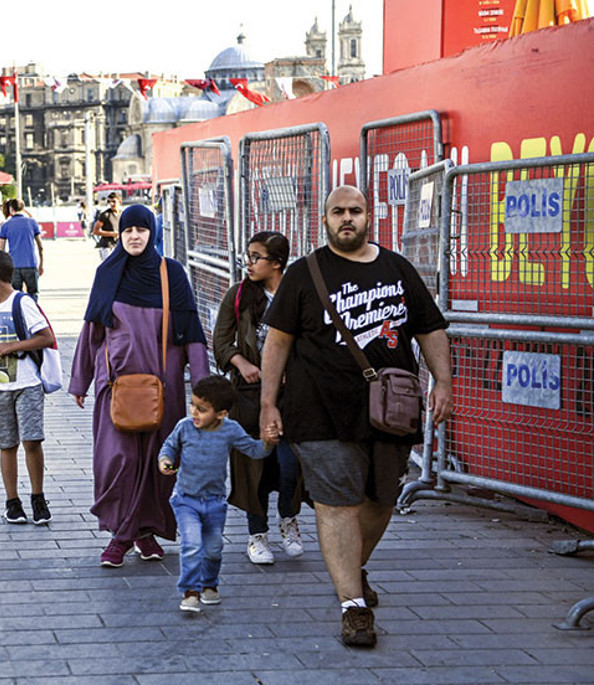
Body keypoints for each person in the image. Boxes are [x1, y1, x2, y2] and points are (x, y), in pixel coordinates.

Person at [260, 185, 453, 648]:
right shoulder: (304, 274)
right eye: (337, 212)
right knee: (337, 504)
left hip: (391, 410)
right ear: (324, 219)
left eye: (355, 211)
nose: (347, 218)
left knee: (381, 500)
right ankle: (353, 606)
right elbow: (278, 342)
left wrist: (443, 381)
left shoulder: (397, 269)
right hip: (318, 411)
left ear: (369, 217)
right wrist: (268, 403)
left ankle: (350, 568)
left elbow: (429, 328)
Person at [69, 204, 210, 568]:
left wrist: (203, 388)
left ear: (152, 232)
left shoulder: (171, 274)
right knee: (119, 461)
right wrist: (80, 379)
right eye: (127, 230)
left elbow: (191, 331)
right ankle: (121, 535)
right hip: (115, 386)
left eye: (141, 230)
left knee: (158, 464)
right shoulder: (108, 273)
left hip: (163, 388)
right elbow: (92, 331)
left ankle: (142, 532)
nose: (134, 236)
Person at [213, 231, 305, 565]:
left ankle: (288, 518)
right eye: (247, 256)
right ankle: (257, 535)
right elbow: (221, 341)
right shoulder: (239, 295)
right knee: (255, 467)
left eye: (256, 257)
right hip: (249, 396)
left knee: (291, 464)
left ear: (277, 263)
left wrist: (293, 371)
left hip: (291, 396)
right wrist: (241, 362)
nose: (249, 264)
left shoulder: (298, 295)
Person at [158, 375, 275, 612]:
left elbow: (254, 451)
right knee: (191, 544)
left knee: (213, 550)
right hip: (185, 499)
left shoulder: (230, 430)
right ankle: (190, 591)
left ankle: (209, 584)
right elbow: (169, 446)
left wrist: (268, 442)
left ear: (221, 414)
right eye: (192, 404)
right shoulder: (184, 427)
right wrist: (165, 461)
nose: (194, 412)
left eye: (202, 409)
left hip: (214, 502)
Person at [0, 250, 54, 525]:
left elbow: (46, 337)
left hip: (27, 384)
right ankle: (12, 502)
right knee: (6, 444)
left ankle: (38, 498)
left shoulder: (22, 302)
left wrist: (13, 346)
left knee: (32, 441)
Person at [0, 198, 43, 300]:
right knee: (33, 294)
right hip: (31, 264)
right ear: (23, 208)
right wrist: (41, 264)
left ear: (11, 209)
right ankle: (31, 310)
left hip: (13, 265)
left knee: (15, 296)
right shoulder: (32, 223)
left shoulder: (5, 225)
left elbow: (1, 249)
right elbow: (40, 246)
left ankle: (18, 310)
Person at [92, 192, 122, 262]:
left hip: (118, 246)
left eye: (114, 201)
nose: (111, 204)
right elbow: (95, 231)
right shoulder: (105, 215)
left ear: (119, 202)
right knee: (109, 266)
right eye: (109, 202)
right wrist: (112, 234)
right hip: (107, 247)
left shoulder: (122, 214)